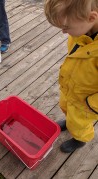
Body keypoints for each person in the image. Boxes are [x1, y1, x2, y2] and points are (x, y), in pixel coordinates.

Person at [44, 0, 98, 153]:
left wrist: (91, 104)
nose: (63, 32)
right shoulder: (83, 28)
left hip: (87, 102)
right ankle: (70, 122)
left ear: (91, 18)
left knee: (80, 124)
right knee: (67, 108)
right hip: (72, 89)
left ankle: (80, 139)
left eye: (66, 27)